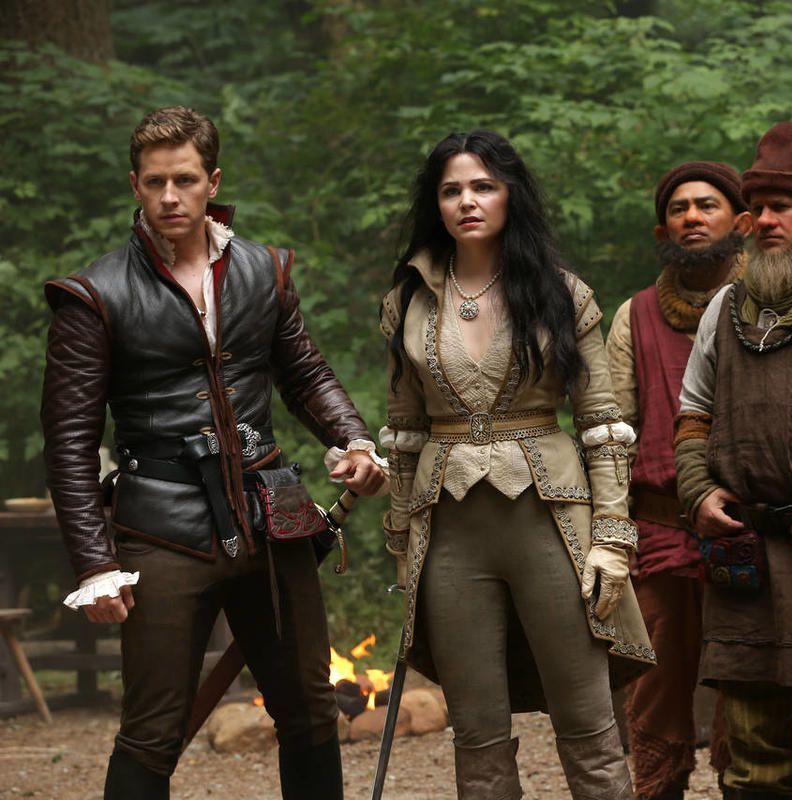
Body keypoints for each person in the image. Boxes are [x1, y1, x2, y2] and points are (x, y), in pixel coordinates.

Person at [40, 106, 386, 799]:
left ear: (213, 182)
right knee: (153, 730)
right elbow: (70, 440)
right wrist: (96, 563)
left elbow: (305, 374)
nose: (170, 196)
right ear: (135, 186)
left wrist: (352, 438)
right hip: (161, 526)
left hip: (270, 513)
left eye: (185, 180)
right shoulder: (94, 294)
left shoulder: (263, 270)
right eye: (155, 182)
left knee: (309, 709)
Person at [379, 129, 655, 799]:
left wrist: (612, 538)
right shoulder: (408, 299)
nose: (467, 201)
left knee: (587, 721)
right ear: (436, 203)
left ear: (511, 195)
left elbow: (602, 427)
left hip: (553, 525)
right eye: (451, 190)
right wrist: (401, 540)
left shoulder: (563, 293)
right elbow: (405, 434)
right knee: (476, 734)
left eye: (484, 186)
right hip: (448, 534)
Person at [672, 122, 792, 800]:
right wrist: (697, 489)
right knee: (752, 755)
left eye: (782, 207)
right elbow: (693, 413)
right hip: (746, 549)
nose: (765, 221)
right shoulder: (726, 307)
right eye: (757, 208)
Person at [607, 161, 751, 799]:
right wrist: (609, 532)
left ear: (740, 222)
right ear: (661, 229)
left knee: (746, 688)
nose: (692, 217)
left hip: (748, 531)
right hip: (660, 531)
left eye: (707, 205)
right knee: (657, 690)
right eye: (679, 208)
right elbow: (611, 432)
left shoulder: (768, 304)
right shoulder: (634, 316)